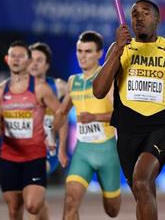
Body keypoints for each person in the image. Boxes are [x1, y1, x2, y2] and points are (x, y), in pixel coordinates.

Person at [93, 0, 165, 220]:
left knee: (142, 181)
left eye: (145, 13)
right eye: (135, 14)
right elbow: (98, 91)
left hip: (159, 129)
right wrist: (117, 49)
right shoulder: (120, 50)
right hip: (126, 132)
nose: (139, 17)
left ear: (157, 19)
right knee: (142, 191)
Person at [0, 40, 61, 220]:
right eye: (13, 56)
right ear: (7, 59)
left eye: (21, 56)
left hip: (35, 157)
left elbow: (61, 111)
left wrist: (51, 134)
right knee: (14, 209)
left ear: (28, 61)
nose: (16, 59)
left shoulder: (40, 88)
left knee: (33, 206)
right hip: (9, 157)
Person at [53, 31, 121, 219]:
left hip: (107, 151)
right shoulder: (73, 81)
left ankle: (108, 187)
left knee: (112, 210)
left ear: (100, 54)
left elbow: (121, 115)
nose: (82, 56)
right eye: (79, 51)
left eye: (88, 51)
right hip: (82, 151)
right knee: (70, 202)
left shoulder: (107, 80)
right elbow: (62, 112)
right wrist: (50, 133)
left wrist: (95, 117)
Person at [28, 42, 68, 220]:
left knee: (32, 189)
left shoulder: (58, 86)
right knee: (36, 202)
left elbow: (83, 95)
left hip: (47, 151)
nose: (34, 64)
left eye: (39, 60)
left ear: (47, 65)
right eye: (31, 60)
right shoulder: (17, 89)